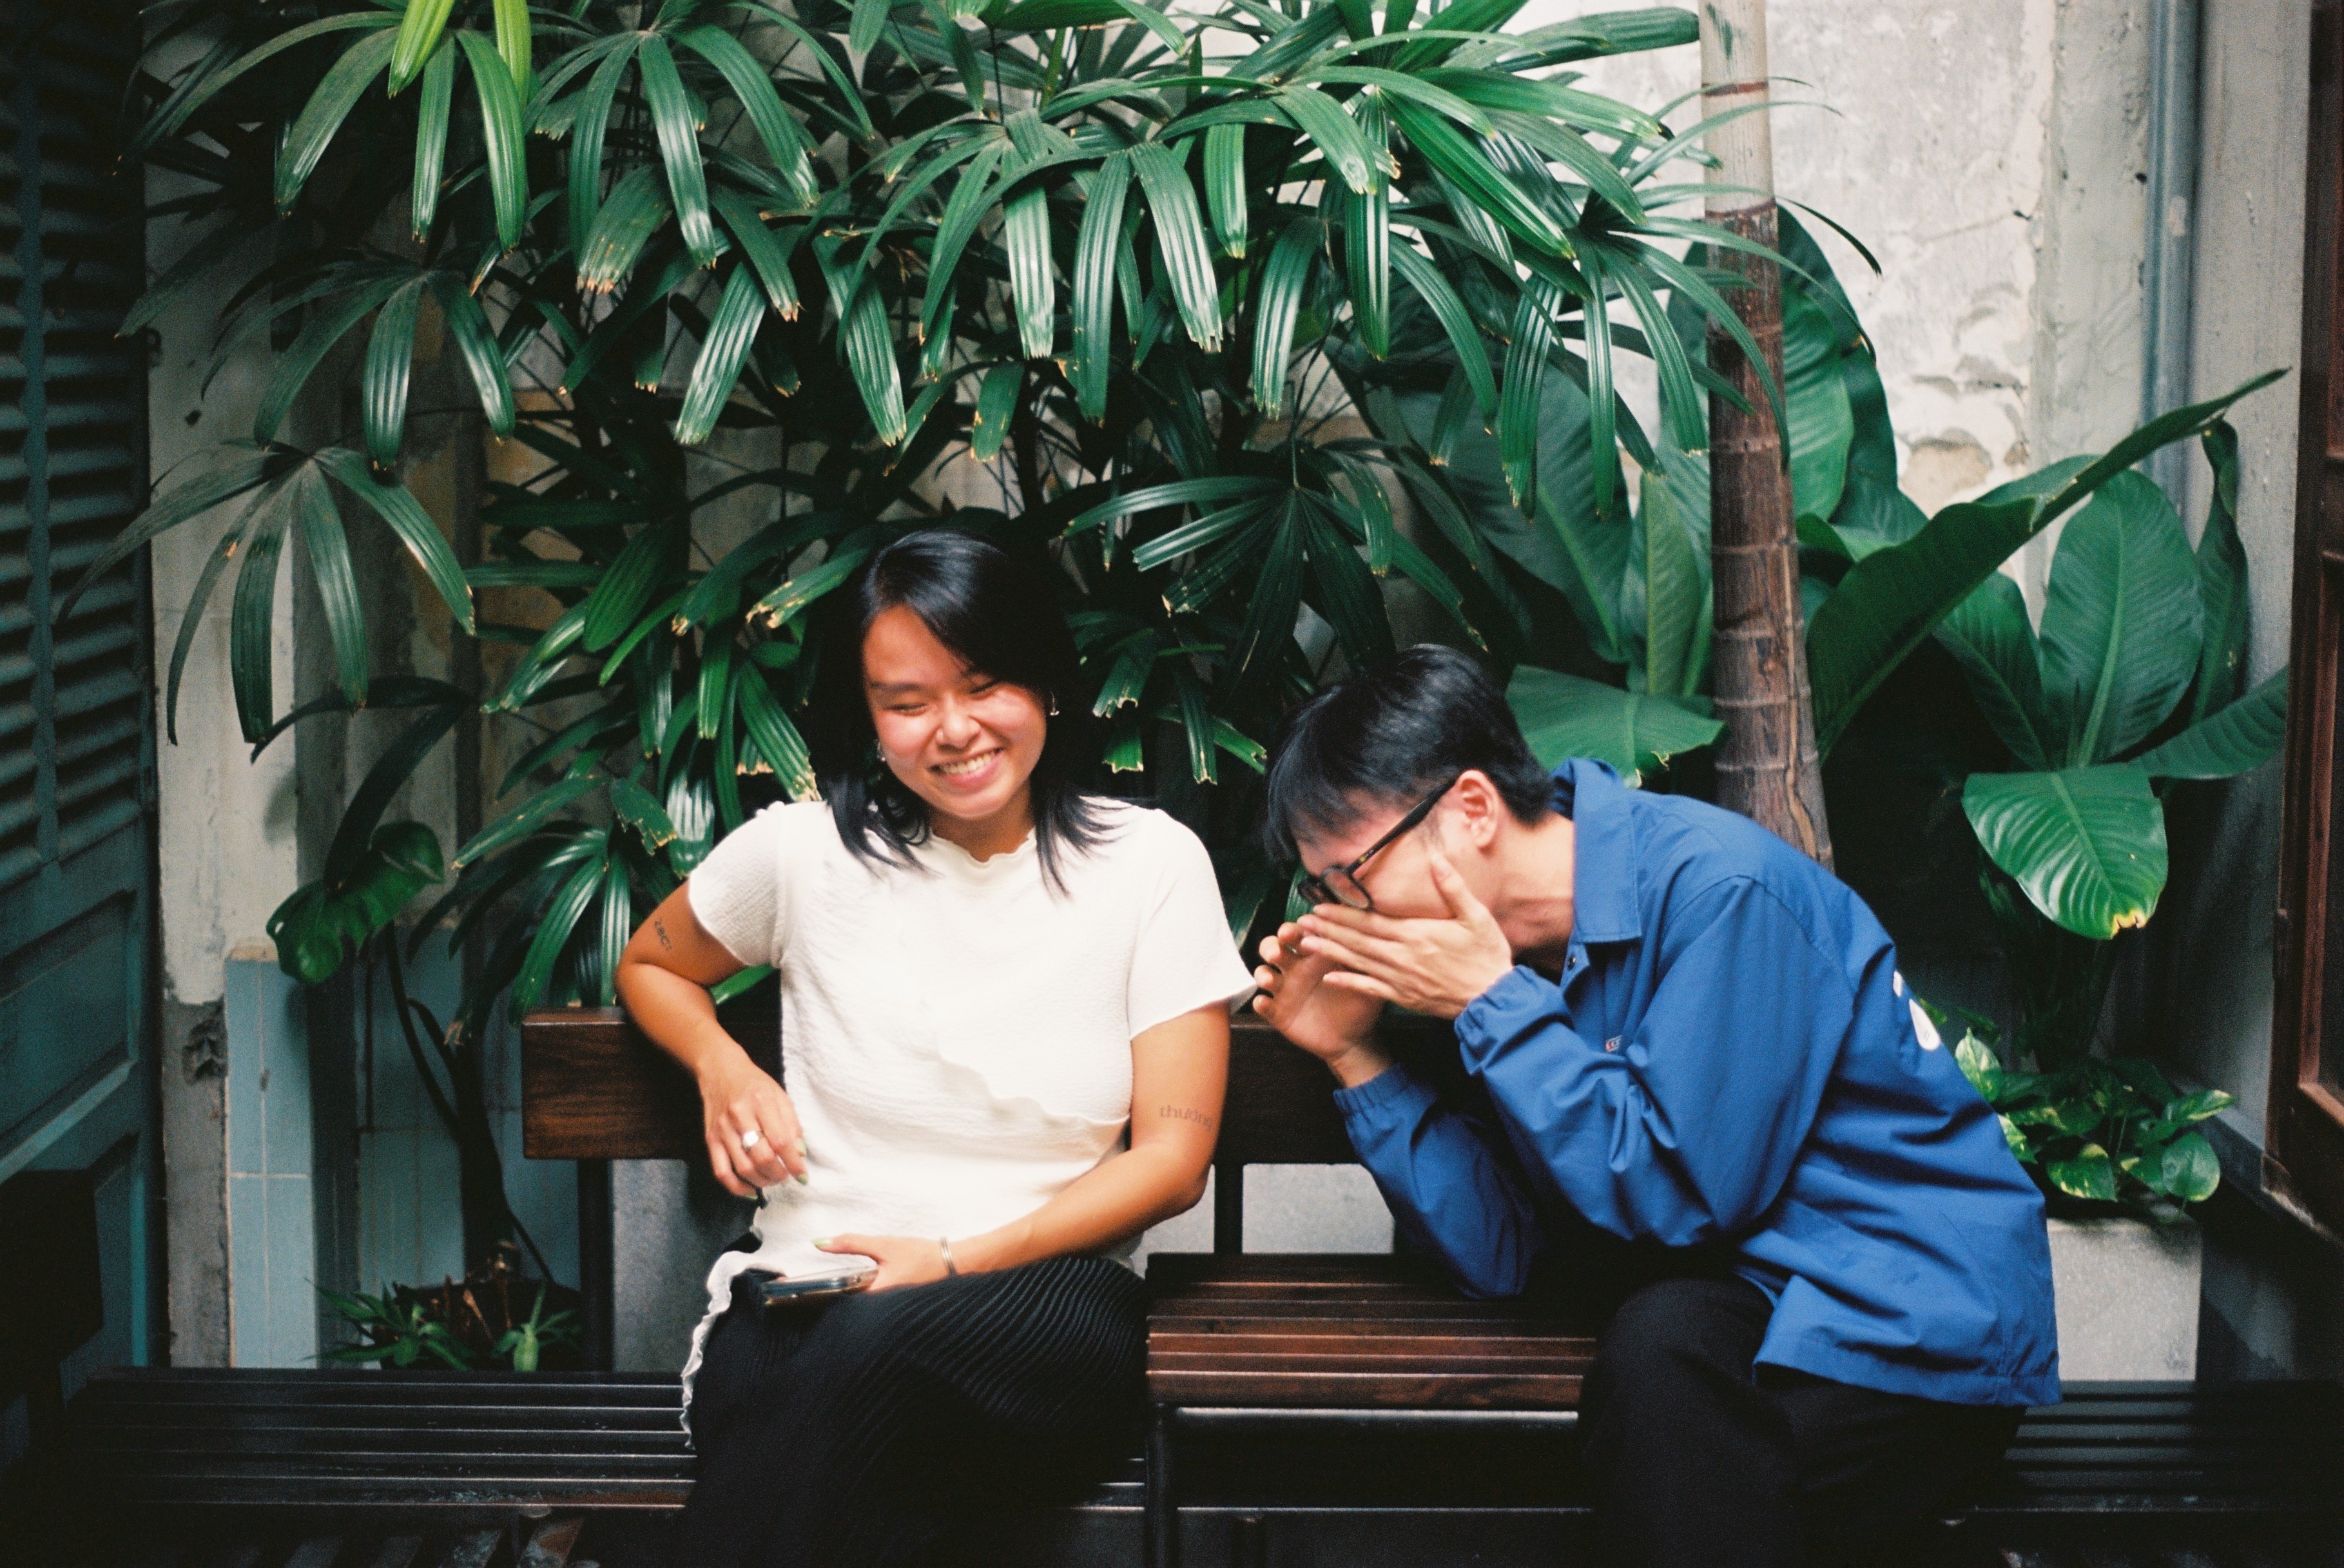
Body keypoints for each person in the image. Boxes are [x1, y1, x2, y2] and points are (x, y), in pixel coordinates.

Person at [1247, 645, 2058, 1568]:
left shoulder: (1722, 891)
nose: (1342, 915)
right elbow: (1504, 1256)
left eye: (1351, 875)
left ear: (1471, 809)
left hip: (1906, 1328)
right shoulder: (1482, 969)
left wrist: (1492, 1006)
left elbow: (1677, 1193)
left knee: (1669, 1437)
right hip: (1731, 1312)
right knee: (1660, 1377)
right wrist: (1355, 1055)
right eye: (1321, 891)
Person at [615, 529, 1253, 1568]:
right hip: (807, 1287)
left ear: (1045, 683)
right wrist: (722, 1064)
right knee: (804, 1387)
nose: (954, 730)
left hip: (1047, 1298)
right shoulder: (801, 854)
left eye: (984, 684)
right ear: (867, 719)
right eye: (907, 702)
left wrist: (949, 1261)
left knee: (846, 1376)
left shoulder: (1150, 867)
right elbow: (651, 963)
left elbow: (1173, 1161)